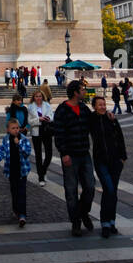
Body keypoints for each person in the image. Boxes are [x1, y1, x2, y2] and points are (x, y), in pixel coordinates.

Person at [54, 80, 95, 236]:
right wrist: (64, 153)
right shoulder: (62, 110)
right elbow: (59, 133)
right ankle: (76, 222)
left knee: (90, 187)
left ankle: (83, 212)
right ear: (76, 93)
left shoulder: (84, 109)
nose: (85, 92)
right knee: (71, 191)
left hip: (84, 154)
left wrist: (108, 117)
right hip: (70, 156)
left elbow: (94, 124)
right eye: (82, 90)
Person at [89, 96, 128, 238]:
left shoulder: (111, 119)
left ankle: (111, 222)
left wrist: (123, 157)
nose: (103, 107)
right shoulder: (91, 119)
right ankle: (105, 222)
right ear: (94, 106)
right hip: (101, 161)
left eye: (104, 104)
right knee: (109, 189)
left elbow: (120, 137)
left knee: (113, 192)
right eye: (99, 105)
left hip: (115, 161)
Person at [0, 116, 33, 227]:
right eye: (13, 128)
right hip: (11, 170)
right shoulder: (6, 139)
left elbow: (27, 152)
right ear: (8, 130)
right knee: (14, 192)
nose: (16, 130)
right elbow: (3, 151)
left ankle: (22, 215)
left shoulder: (23, 138)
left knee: (22, 193)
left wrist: (19, 144)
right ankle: (16, 210)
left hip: (22, 170)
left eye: (17, 128)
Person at [26, 89, 54, 185]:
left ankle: (43, 170)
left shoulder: (47, 105)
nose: (38, 98)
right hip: (36, 131)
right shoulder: (30, 107)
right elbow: (29, 121)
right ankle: (41, 177)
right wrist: (39, 119)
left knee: (49, 153)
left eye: (40, 96)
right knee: (38, 155)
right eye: (36, 96)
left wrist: (48, 118)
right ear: (34, 97)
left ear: (43, 97)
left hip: (46, 130)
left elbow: (52, 115)